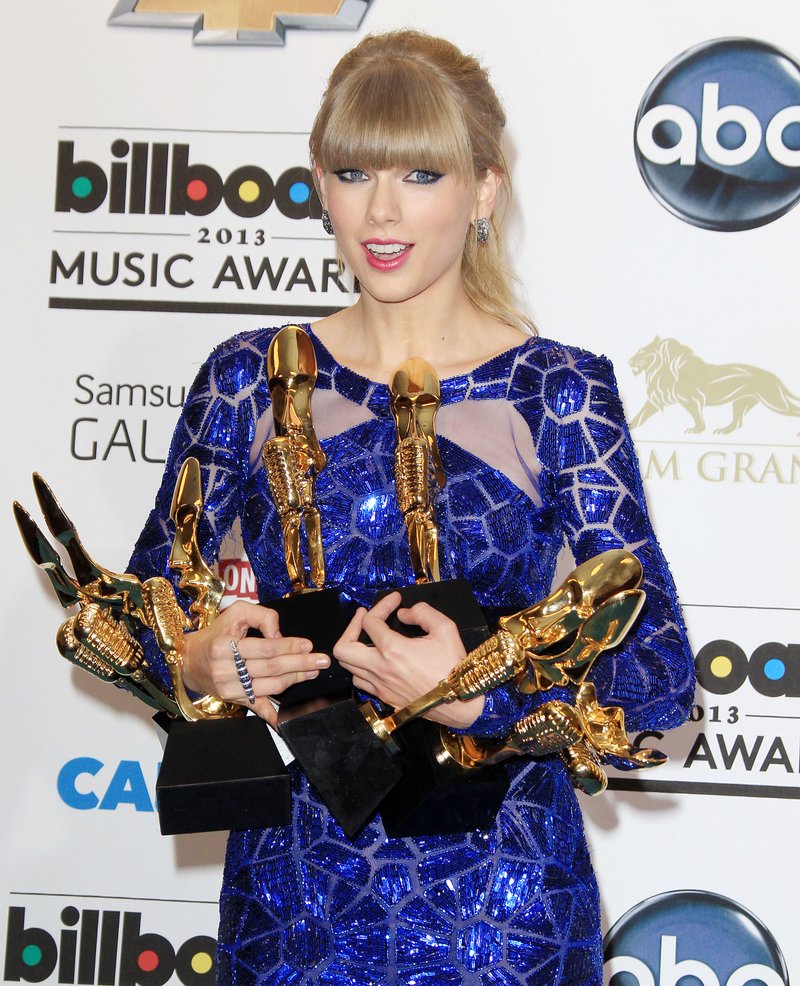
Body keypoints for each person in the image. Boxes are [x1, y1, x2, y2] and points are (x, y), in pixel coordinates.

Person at [129, 29, 694, 985]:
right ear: (320, 183)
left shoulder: (556, 392)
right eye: (355, 173)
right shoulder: (249, 378)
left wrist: (491, 693)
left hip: (505, 908)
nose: (382, 211)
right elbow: (142, 606)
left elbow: (660, 677)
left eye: (421, 176)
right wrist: (198, 657)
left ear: (484, 191)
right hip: (294, 900)